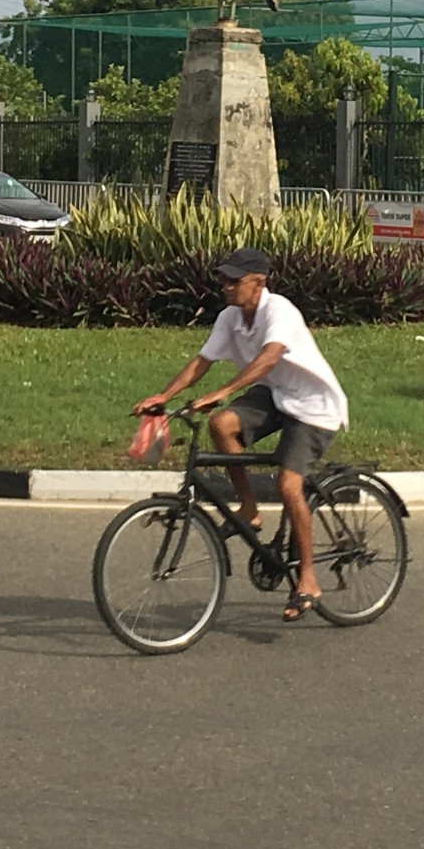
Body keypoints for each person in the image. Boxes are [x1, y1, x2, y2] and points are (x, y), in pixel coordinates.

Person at [131, 247, 349, 623]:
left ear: (258, 283)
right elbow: (203, 360)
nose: (226, 287)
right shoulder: (230, 317)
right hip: (277, 395)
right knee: (221, 425)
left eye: (234, 280)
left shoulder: (279, 311)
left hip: (314, 405)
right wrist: (164, 397)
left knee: (288, 485)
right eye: (223, 279)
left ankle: (309, 580)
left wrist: (223, 391)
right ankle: (249, 510)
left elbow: (269, 357)